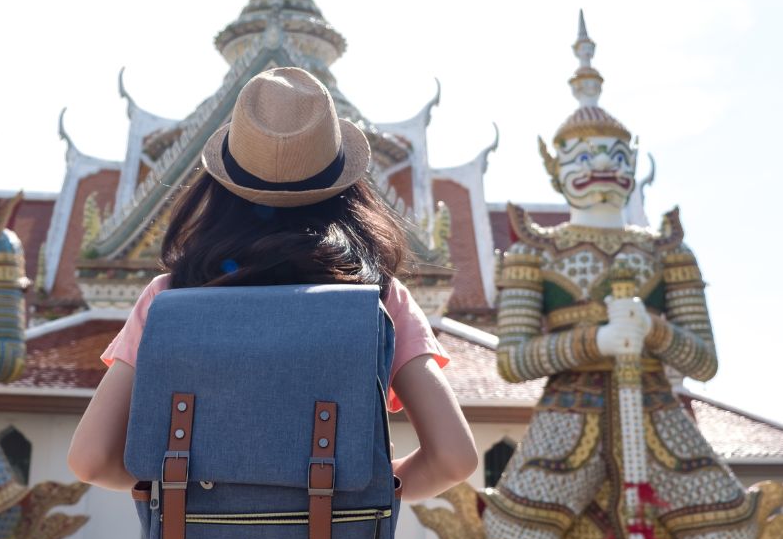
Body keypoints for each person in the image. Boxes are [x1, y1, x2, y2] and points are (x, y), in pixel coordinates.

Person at [68, 66, 478, 502]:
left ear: (222, 184)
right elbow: (454, 458)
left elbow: (91, 459)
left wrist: (187, 492)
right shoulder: (379, 297)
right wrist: (362, 491)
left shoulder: (168, 298)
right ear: (346, 188)